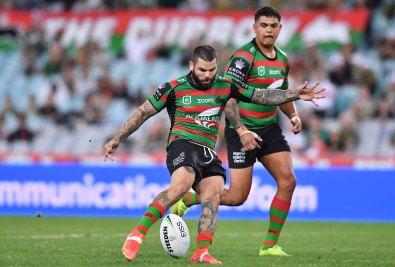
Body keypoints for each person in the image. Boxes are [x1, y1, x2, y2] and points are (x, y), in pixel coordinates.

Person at [104, 45, 324, 264]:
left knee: (213, 193)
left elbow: (260, 95)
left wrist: (295, 93)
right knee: (182, 183)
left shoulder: (226, 85)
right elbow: (143, 113)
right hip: (182, 144)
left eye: (211, 70)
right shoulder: (173, 87)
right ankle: (137, 234)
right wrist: (117, 139)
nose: (208, 75)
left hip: (207, 151)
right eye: (202, 70)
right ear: (192, 66)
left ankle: (201, 251)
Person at [171, 6, 314, 256]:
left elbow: (279, 92)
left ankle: (269, 246)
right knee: (237, 197)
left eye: (273, 26)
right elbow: (228, 98)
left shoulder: (282, 59)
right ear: (255, 28)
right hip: (241, 131)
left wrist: (292, 114)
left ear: (280, 28)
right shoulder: (243, 58)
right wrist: (242, 129)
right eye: (264, 25)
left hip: (268, 129)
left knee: (288, 180)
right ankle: (189, 200)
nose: (268, 30)